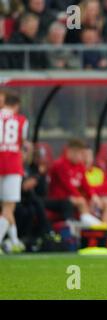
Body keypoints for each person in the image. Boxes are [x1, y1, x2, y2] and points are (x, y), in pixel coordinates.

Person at [47, 139, 106, 228]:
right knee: (81, 201)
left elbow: (85, 185)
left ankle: (99, 227)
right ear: (71, 152)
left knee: (99, 201)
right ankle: (89, 226)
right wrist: (83, 198)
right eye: (81, 154)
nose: (83, 158)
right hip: (59, 198)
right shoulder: (60, 165)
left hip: (74, 197)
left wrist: (93, 196)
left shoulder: (79, 166)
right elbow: (68, 187)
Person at [0, 91, 29, 253]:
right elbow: (23, 143)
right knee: (8, 207)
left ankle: (15, 241)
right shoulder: (21, 120)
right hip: (12, 166)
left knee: (5, 207)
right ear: (16, 105)